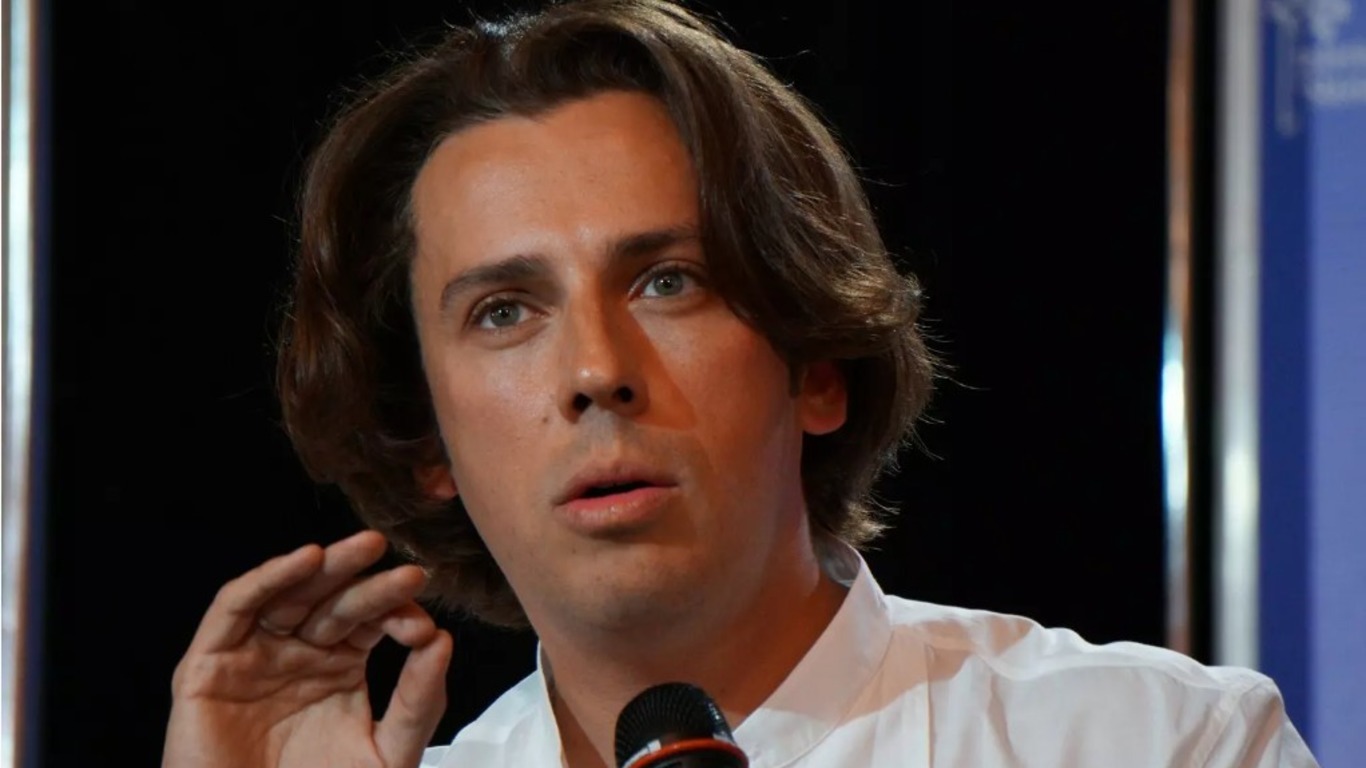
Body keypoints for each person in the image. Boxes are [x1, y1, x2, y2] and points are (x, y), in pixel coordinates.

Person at [160, 1, 1319, 766]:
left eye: (667, 282)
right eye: (505, 311)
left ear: (815, 365)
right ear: (427, 442)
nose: (596, 372)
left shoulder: (1160, 745)